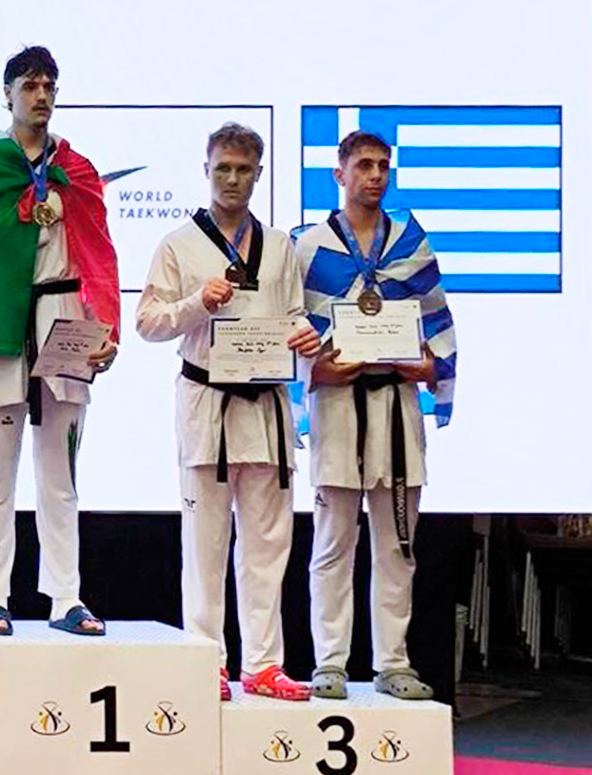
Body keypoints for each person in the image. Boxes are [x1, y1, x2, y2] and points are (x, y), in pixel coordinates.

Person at [0, 45, 120, 637]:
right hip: (3, 321)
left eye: (49, 86)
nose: (40, 96)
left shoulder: (78, 170)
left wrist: (107, 328)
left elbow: (99, 255)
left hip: (64, 317)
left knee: (60, 473)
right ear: (7, 94)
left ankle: (66, 595)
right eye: (29, 85)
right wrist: (13, 221)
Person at [135, 123, 320, 701]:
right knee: (205, 545)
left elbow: (294, 313)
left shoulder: (280, 245)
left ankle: (263, 664)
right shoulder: (178, 244)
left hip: (265, 406)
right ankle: (205, 659)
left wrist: (306, 334)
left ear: (258, 174)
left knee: (267, 544)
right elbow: (147, 323)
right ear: (206, 170)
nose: (232, 179)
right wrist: (197, 302)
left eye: (243, 170)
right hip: (207, 405)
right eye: (223, 168)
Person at [294, 130, 457, 700]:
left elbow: (437, 323)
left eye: (383, 166)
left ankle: (393, 661)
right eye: (364, 165)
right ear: (339, 174)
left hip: (397, 407)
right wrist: (316, 372)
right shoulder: (307, 246)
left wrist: (429, 367)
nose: (376, 175)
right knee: (333, 542)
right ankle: (329, 662)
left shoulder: (410, 243)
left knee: (397, 545)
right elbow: (291, 329)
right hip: (337, 407)